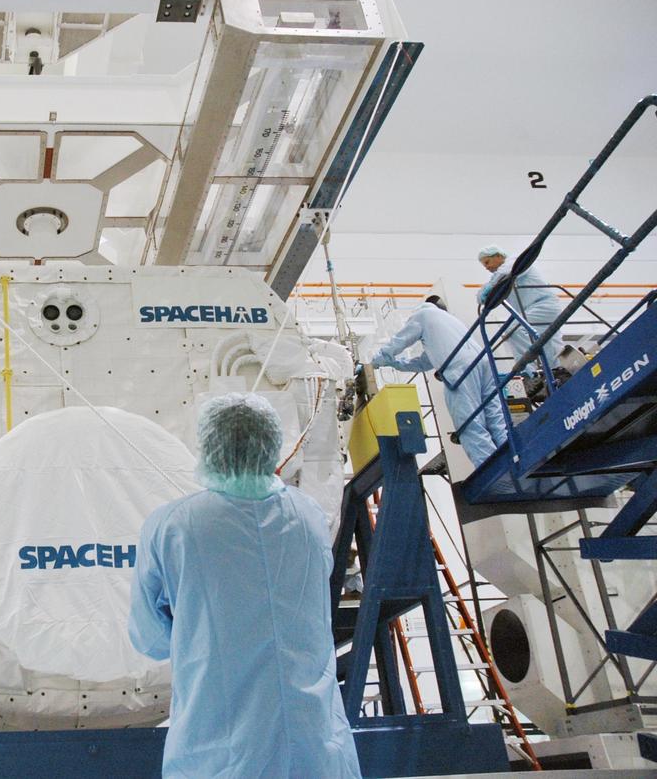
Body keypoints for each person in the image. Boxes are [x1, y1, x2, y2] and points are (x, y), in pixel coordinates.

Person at [129, 394, 360, 779]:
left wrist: (196, 629)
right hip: (316, 749)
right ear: (271, 446)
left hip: (222, 755)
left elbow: (149, 637)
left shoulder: (174, 525)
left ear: (208, 448)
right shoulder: (309, 517)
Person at [371, 298, 509, 466]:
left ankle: (492, 469)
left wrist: (378, 359)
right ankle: (511, 457)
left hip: (459, 368)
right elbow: (424, 362)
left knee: (470, 423)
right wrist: (395, 363)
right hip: (484, 362)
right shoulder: (447, 321)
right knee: (495, 417)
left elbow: (399, 341)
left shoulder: (422, 315)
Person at [476, 245, 565, 373]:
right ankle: (554, 372)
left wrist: (489, 289)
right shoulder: (498, 277)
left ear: (498, 256)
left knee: (514, 330)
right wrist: (486, 292)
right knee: (549, 343)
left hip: (543, 305)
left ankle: (531, 372)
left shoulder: (516, 262)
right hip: (531, 310)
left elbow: (503, 274)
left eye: (487, 262)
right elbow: (484, 294)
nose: (487, 267)